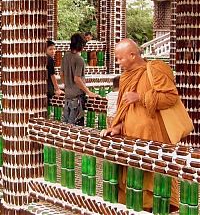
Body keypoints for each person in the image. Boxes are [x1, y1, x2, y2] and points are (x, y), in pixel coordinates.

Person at [100, 38, 187, 212]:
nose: (118, 62)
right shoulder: (125, 78)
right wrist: (117, 127)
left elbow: (171, 97)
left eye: (120, 58)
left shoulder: (154, 70)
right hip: (131, 139)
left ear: (132, 55)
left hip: (153, 138)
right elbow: (124, 108)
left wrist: (140, 98)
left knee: (155, 187)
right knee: (133, 186)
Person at [60, 33, 98, 126]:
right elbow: (77, 79)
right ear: (81, 45)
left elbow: (61, 74)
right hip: (77, 97)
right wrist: (88, 92)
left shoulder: (65, 56)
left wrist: (68, 86)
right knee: (75, 127)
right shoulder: (79, 59)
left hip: (67, 95)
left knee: (65, 126)